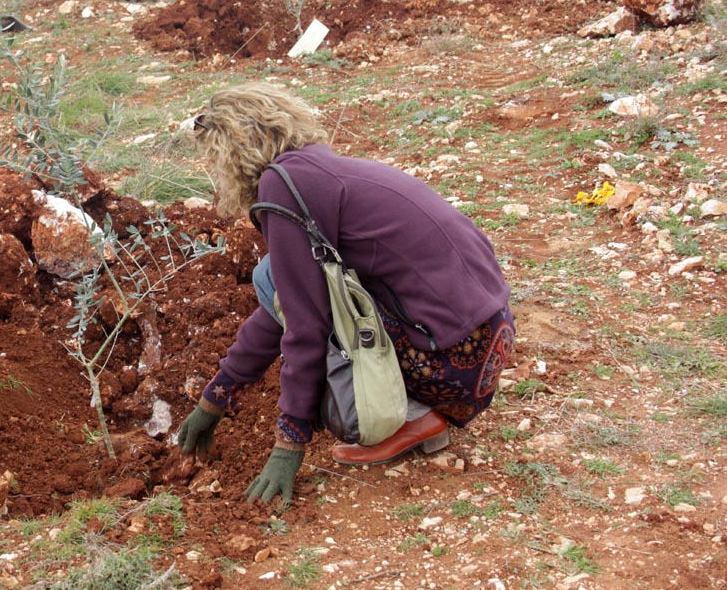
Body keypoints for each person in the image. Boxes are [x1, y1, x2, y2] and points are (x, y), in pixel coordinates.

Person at [176, 83, 514, 504]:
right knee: (286, 279)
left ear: (230, 153)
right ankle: (419, 415)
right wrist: (217, 397)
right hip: (484, 348)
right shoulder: (320, 171)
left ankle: (407, 414)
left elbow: (303, 323)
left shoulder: (281, 188)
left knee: (274, 280)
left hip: (446, 364)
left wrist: (290, 442)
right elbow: (284, 304)